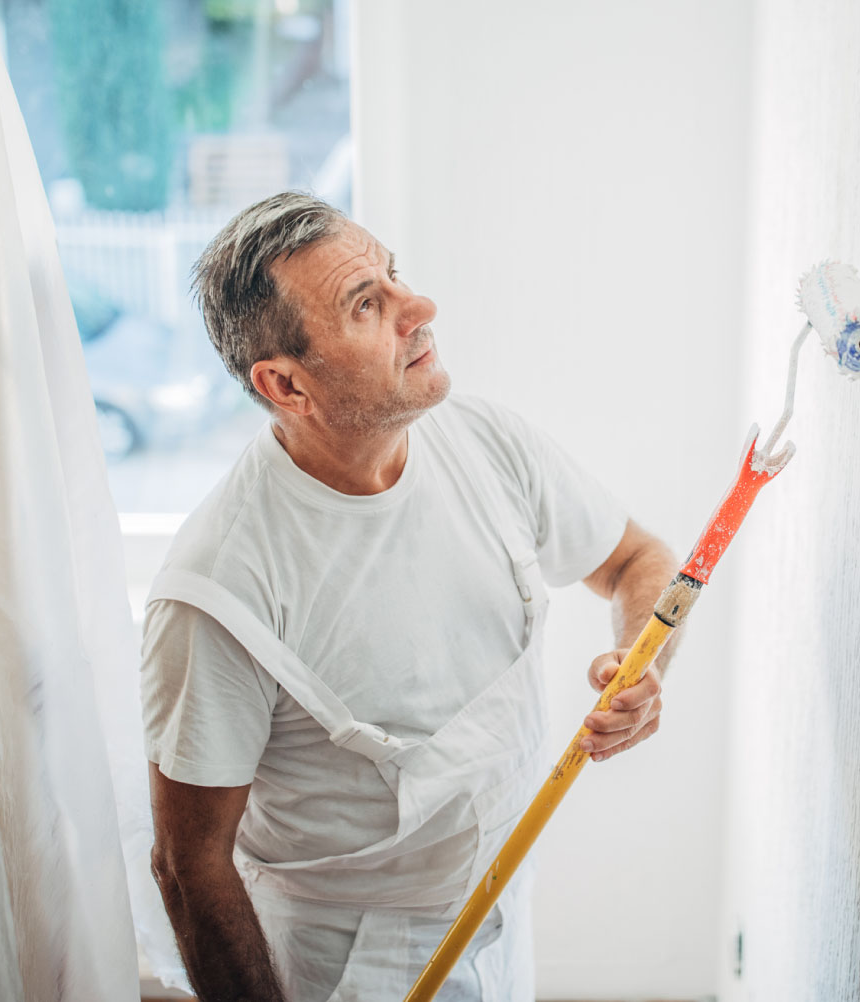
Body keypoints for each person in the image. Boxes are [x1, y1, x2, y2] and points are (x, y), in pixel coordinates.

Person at [142, 192, 681, 1002]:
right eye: (369, 304)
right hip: (350, 968)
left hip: (502, 912)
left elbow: (639, 558)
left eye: (393, 276)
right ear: (286, 384)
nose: (420, 308)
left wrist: (647, 663)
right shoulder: (218, 591)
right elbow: (188, 867)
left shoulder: (484, 440)